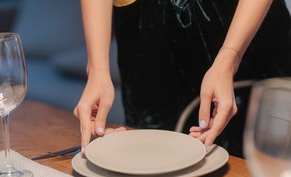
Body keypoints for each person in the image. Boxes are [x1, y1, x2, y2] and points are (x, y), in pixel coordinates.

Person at [73, 0, 291, 158]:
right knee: (152, 167)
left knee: (259, 170)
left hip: (237, 26)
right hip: (145, 35)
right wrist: (97, 70)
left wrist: (230, 57)